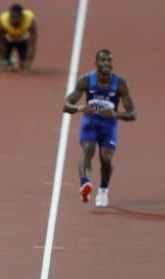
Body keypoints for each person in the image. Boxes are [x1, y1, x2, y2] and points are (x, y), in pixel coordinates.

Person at [63, 49, 136, 208]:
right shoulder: (85, 81)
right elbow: (66, 105)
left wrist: (115, 114)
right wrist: (81, 108)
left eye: (109, 61)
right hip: (90, 122)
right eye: (103, 60)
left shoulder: (120, 84)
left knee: (106, 158)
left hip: (108, 126)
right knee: (88, 150)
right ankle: (85, 184)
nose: (106, 64)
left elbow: (133, 114)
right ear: (96, 63)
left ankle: (103, 189)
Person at [0, 4, 37, 72]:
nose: (13, 20)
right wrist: (2, 60)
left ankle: (22, 61)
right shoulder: (2, 22)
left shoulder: (30, 22)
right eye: (11, 17)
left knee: (23, 66)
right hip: (8, 41)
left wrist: (29, 62)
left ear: (22, 17)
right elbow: (0, 42)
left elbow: (32, 45)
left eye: (16, 18)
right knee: (5, 66)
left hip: (22, 41)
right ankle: (8, 60)